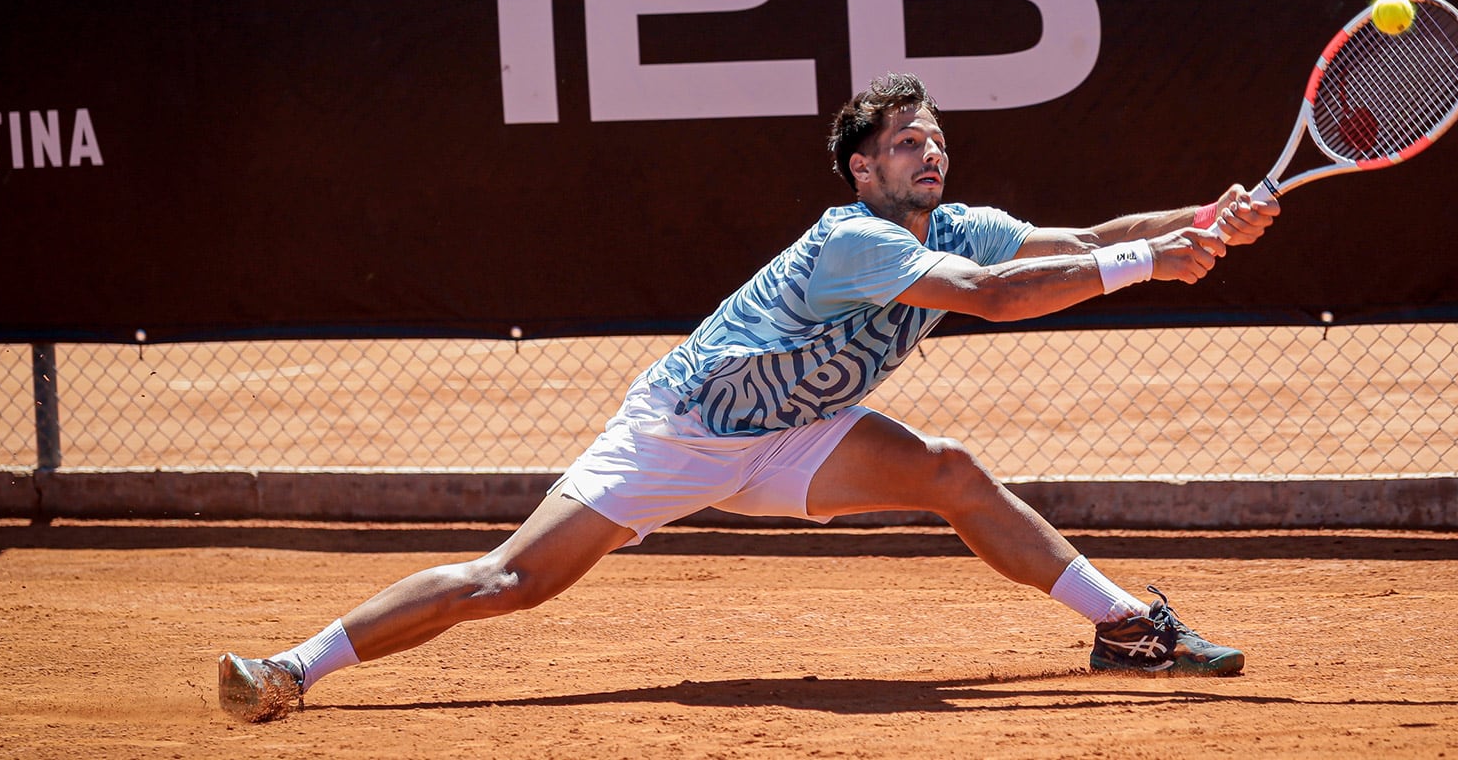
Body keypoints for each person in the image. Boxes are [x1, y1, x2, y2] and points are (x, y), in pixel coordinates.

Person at [219, 72, 1279, 722]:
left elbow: (1082, 240)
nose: (932, 152)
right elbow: (998, 299)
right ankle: (290, 669)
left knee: (950, 472)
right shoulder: (856, 239)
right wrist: (1156, 265)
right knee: (510, 582)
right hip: (680, 433)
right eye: (908, 142)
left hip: (796, 438)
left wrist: (1199, 219)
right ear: (863, 169)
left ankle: (1127, 628)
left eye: (937, 139)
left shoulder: (956, 223)